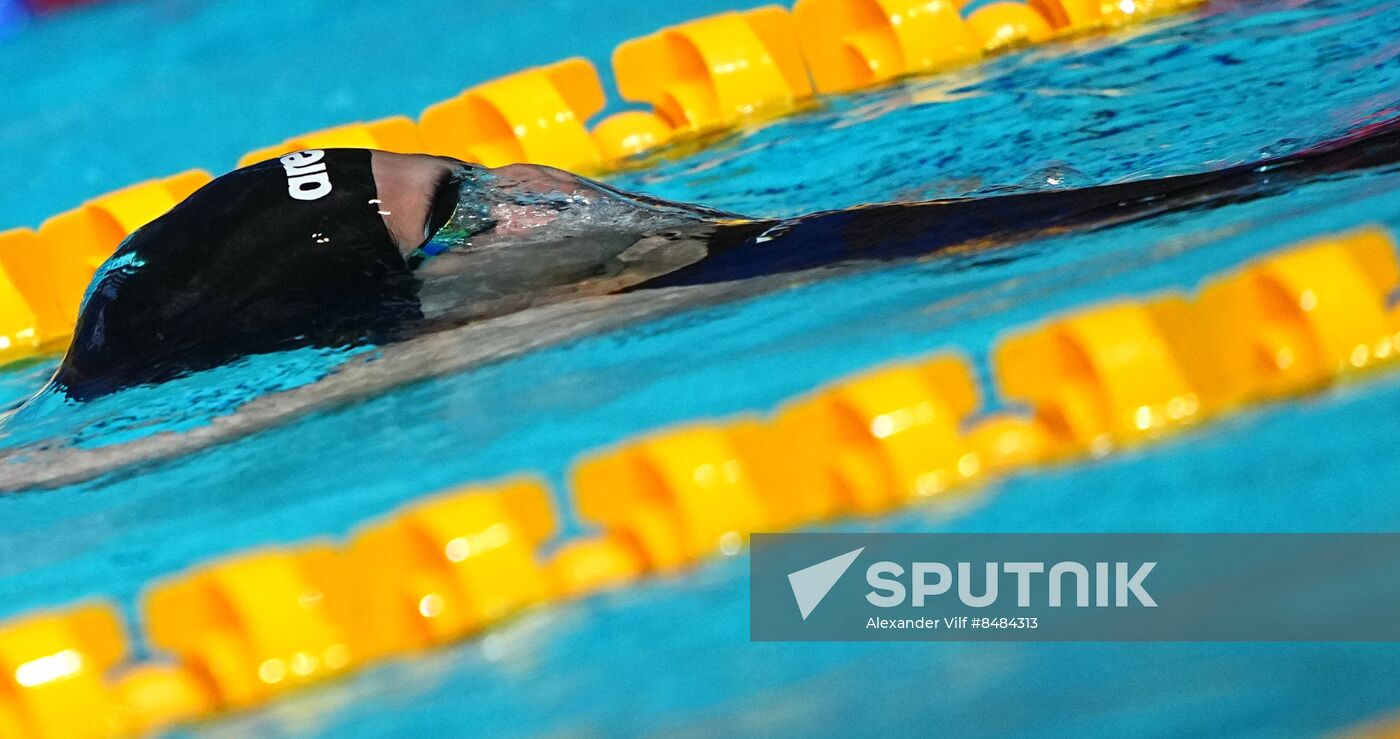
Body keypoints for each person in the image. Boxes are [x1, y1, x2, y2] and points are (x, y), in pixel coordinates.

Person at [53, 114, 1400, 399]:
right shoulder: (765, 274)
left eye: (464, 165)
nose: (525, 187)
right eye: (463, 209)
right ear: (428, 316)